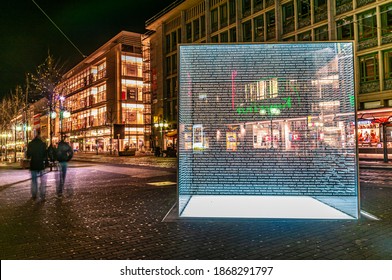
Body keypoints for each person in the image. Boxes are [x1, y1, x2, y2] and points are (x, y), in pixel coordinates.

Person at [26, 130, 47, 200]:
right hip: (41, 164)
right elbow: (45, 155)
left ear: (34, 135)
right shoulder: (43, 144)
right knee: (43, 181)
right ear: (39, 135)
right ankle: (42, 195)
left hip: (33, 164)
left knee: (34, 181)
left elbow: (28, 155)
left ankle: (34, 194)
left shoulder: (31, 144)